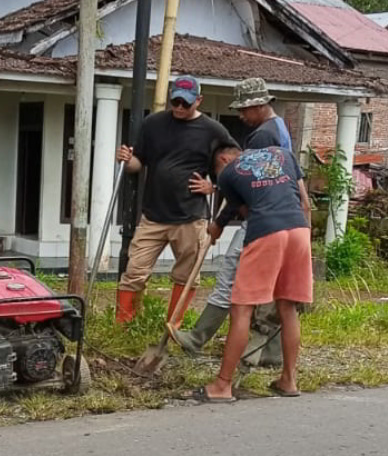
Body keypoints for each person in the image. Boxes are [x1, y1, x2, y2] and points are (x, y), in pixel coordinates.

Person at [169, 78, 295, 367]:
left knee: (230, 276)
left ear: (258, 105)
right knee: (274, 286)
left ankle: (198, 337)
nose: (240, 116)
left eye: (243, 109)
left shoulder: (262, 137)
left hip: (259, 219)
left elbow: (247, 187)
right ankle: (272, 352)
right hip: (283, 219)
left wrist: (220, 222)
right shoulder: (280, 128)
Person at [187, 145, 312, 402]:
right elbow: (305, 203)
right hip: (300, 230)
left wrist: (217, 227)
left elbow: (246, 213)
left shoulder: (228, 173)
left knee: (241, 309)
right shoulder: (282, 154)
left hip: (267, 231)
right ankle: (288, 380)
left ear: (223, 159)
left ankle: (222, 386)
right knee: (287, 307)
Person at [115, 75, 239, 326]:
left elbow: (236, 163)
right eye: (176, 102)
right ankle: (123, 326)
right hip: (153, 215)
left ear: (199, 100)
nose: (180, 107)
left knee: (186, 276)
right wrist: (127, 161)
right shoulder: (153, 123)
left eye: (186, 103)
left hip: (190, 217)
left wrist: (214, 186)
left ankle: (173, 327)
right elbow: (138, 163)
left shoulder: (213, 130)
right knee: (134, 271)